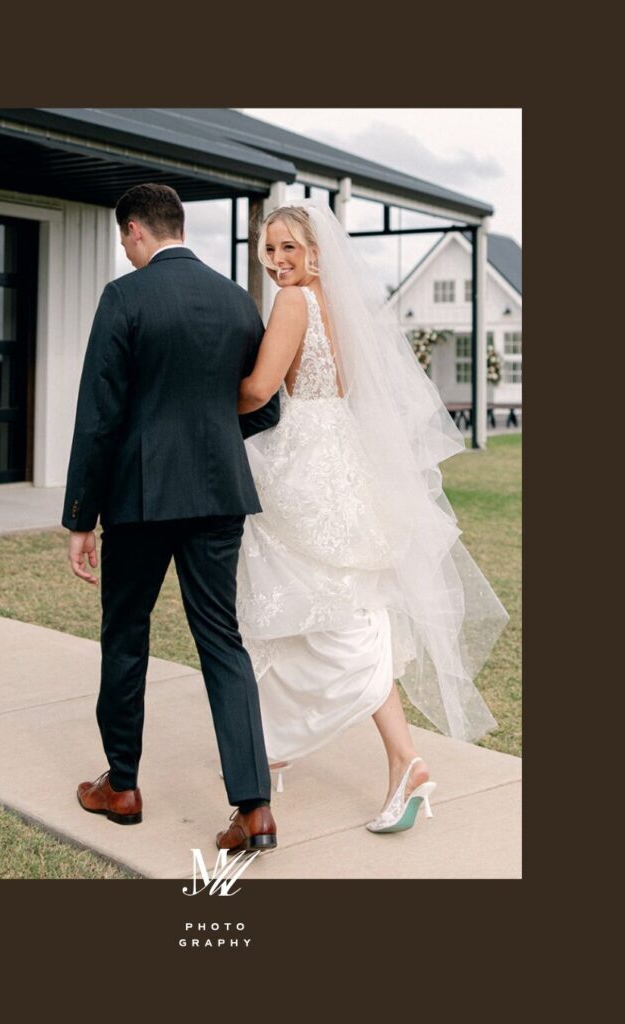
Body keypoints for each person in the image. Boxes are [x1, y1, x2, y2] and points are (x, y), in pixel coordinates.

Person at [234, 200, 509, 834]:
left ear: (316, 250)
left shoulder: (293, 302)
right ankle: (281, 746)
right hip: (342, 455)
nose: (276, 261)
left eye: (288, 247)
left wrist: (205, 399)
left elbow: (259, 389)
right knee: (338, 602)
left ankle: (388, 757)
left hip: (303, 462)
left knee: (318, 608)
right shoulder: (340, 305)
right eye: (268, 248)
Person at [62, 183, 281, 854]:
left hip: (140, 497)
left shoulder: (124, 297)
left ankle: (122, 787)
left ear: (135, 230)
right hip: (218, 493)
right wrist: (208, 433)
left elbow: (99, 416)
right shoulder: (237, 300)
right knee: (222, 640)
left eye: (122, 239)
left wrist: (80, 517)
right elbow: (265, 404)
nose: (124, 250)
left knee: (126, 634)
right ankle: (254, 809)